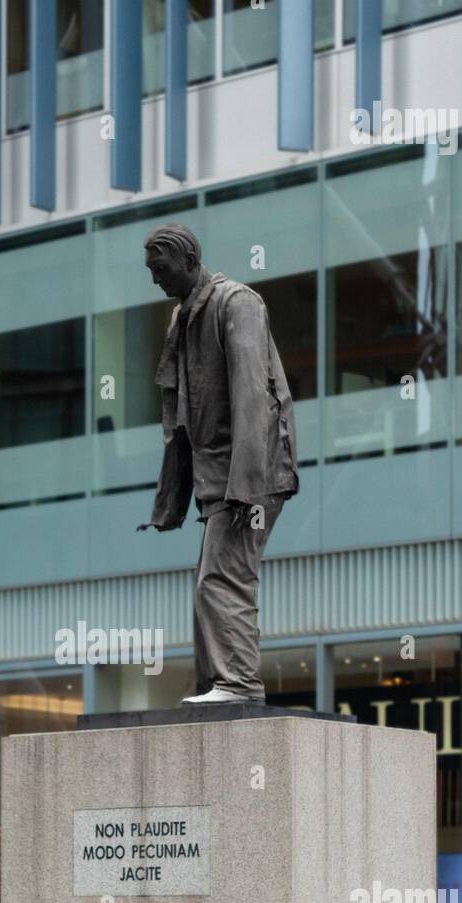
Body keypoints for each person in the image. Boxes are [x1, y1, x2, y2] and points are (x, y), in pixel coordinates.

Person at [139, 224, 298, 704]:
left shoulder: (238, 303)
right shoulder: (182, 319)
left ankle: (238, 685)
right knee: (208, 579)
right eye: (150, 271)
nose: (155, 280)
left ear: (189, 260)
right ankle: (219, 684)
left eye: (161, 269)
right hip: (220, 478)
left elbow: (254, 394)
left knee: (223, 577)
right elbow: (179, 418)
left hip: (250, 474)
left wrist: (244, 485)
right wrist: (172, 502)